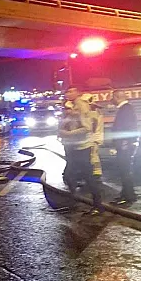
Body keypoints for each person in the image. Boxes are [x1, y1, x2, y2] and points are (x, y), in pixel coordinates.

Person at [60, 87, 104, 215]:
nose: (67, 94)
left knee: (88, 177)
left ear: (78, 92)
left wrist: (68, 133)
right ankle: (74, 201)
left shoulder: (81, 105)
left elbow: (87, 127)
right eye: (67, 92)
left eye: (71, 91)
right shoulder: (72, 106)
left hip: (83, 147)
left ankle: (97, 206)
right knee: (70, 175)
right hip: (75, 146)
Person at [110, 90, 139, 204]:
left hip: (124, 144)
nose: (111, 100)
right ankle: (125, 193)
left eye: (113, 97)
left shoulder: (125, 109)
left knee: (125, 170)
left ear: (117, 97)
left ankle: (129, 196)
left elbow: (126, 127)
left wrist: (124, 143)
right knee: (124, 170)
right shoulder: (126, 108)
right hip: (124, 144)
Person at [82, 94, 104, 177]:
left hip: (92, 138)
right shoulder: (97, 112)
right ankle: (96, 173)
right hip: (96, 138)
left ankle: (95, 175)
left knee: (92, 156)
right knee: (94, 155)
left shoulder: (92, 114)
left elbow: (92, 128)